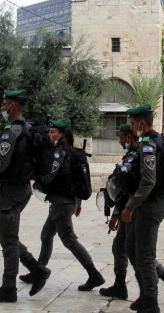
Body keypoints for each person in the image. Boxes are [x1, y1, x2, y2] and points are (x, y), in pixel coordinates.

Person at [0, 89, 50, 303]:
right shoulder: (27, 129)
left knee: (8, 240)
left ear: (14, 106)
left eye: (4, 103)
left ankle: (9, 288)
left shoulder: (11, 131)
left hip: (12, 191)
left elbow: (0, 165)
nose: (1, 108)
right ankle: (36, 269)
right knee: (2, 233)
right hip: (21, 189)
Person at [99, 123, 164, 307]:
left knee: (139, 252)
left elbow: (142, 183)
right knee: (130, 248)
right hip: (137, 207)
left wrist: (124, 210)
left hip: (141, 207)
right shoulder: (140, 150)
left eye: (121, 137)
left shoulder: (145, 148)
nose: (120, 141)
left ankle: (151, 296)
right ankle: (150, 289)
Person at [35, 118, 105, 293]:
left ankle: (94, 274)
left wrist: (36, 177)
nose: (49, 135)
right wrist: (78, 203)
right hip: (66, 201)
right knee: (46, 234)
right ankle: (38, 269)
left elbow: (50, 178)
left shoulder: (59, 154)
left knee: (69, 239)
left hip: (61, 202)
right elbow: (75, 180)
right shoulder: (73, 152)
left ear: (61, 135)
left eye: (52, 132)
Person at [121, 103, 164, 313]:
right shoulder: (154, 140)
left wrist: (130, 206)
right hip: (148, 205)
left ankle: (151, 301)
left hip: (150, 206)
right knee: (131, 246)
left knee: (145, 255)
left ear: (141, 123)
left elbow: (148, 181)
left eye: (132, 124)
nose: (130, 129)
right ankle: (145, 294)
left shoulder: (148, 145)